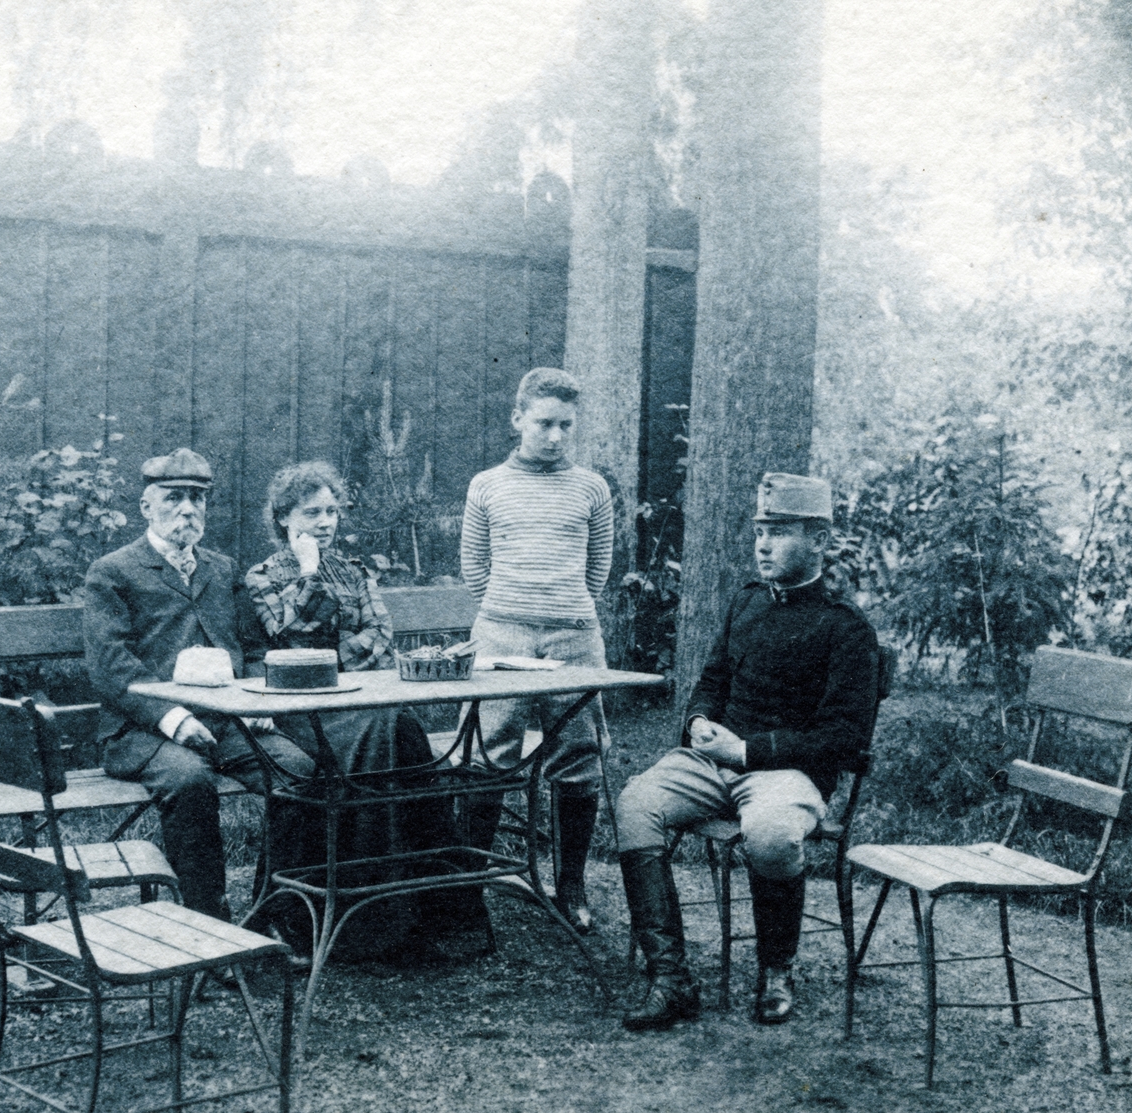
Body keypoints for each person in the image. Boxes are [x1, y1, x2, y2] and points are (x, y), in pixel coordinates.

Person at [614, 473, 880, 1030]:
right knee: (636, 804)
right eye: (760, 531)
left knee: (770, 834)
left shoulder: (846, 628)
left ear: (819, 541)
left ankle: (776, 969)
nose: (763, 545)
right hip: (713, 762)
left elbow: (844, 738)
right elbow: (712, 679)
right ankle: (671, 980)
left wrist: (749, 750)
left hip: (787, 772)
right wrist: (698, 721)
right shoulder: (747, 602)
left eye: (779, 532)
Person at [244, 460, 471, 957]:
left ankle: (419, 911)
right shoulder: (262, 577)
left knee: (397, 728)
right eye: (312, 513)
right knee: (387, 730)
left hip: (362, 699)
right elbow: (289, 634)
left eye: (331, 511)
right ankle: (369, 921)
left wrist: (327, 660)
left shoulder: (354, 571)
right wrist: (308, 572)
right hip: (300, 710)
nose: (325, 522)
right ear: (284, 518)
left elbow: (382, 636)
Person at [80, 448, 314, 921]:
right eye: (174, 498)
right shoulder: (113, 571)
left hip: (226, 722)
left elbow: (252, 649)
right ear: (146, 507)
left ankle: (271, 910)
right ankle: (208, 919)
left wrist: (255, 702)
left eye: (197, 498)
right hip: (142, 730)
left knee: (298, 771)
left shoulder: (221, 569)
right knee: (189, 780)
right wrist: (174, 718)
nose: (187, 509)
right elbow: (110, 666)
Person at [459, 366, 614, 935]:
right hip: (501, 633)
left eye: (565, 426)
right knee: (488, 751)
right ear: (518, 419)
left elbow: (598, 569)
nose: (554, 436)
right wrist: (512, 613)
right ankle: (468, 893)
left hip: (574, 635)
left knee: (578, 754)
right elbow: (474, 568)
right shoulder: (487, 484)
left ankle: (569, 885)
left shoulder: (591, 488)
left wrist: (559, 610)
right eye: (544, 423)